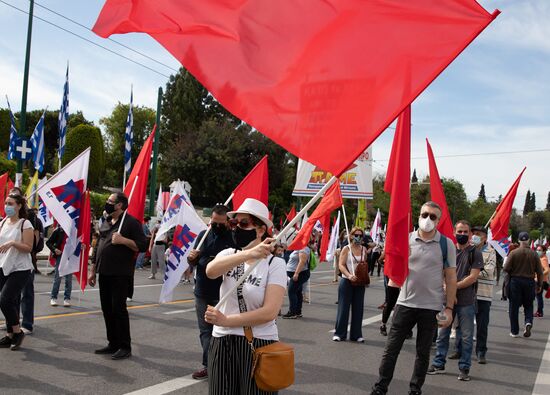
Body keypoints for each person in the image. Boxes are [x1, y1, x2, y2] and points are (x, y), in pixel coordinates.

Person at [371, 201, 457, 395]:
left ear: (439, 220)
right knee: (391, 350)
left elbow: (451, 277)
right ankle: (380, 388)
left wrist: (449, 309)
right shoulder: (405, 239)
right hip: (405, 304)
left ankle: (415, 389)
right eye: (425, 214)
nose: (428, 219)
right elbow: (392, 268)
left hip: (431, 307)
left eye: (433, 216)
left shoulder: (447, 244)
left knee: (423, 353)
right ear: (418, 215)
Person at [205, 198, 286, 394]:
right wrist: (248, 254)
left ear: (260, 230)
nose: (236, 228)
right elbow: (211, 271)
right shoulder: (228, 254)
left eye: (243, 224)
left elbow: (269, 312)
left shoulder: (275, 264)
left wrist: (226, 320)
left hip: (259, 342)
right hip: (222, 340)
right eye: (233, 224)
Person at [88, 193, 147, 360]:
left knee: (118, 310)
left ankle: (124, 346)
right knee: (107, 309)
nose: (107, 203)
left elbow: (142, 245)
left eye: (110, 202)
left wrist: (124, 241)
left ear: (120, 205)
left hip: (120, 274)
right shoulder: (106, 222)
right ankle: (112, 342)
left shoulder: (131, 223)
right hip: (104, 272)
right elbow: (99, 245)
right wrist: (93, 270)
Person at [428, 220, 483, 382]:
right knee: (442, 333)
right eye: (460, 231)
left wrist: (453, 288)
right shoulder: (447, 250)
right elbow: (440, 272)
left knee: (466, 337)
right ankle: (439, 364)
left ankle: (464, 368)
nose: (463, 235)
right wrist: (447, 288)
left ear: (470, 234)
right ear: (454, 232)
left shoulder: (475, 252)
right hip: (445, 302)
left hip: (466, 302)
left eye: (466, 232)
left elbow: (473, 277)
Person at [187, 204, 236, 380]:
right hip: (202, 290)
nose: (215, 225)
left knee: (224, 331)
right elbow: (194, 260)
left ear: (228, 222)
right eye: (213, 221)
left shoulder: (233, 238)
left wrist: (208, 260)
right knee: (205, 331)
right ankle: (209, 365)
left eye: (220, 223)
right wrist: (191, 258)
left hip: (223, 292)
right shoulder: (203, 235)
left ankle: (226, 364)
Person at [0, 193, 34, 350]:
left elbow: (28, 248)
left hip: (20, 268)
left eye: (11, 203)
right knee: (9, 302)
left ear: (19, 206)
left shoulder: (25, 224)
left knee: (5, 299)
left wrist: (13, 243)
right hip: (4, 266)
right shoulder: (3, 222)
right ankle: (9, 335)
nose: (7, 206)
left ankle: (17, 331)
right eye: (6, 203)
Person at [503, 231, 543, 338]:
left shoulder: (514, 253)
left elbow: (506, 268)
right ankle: (528, 322)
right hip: (529, 282)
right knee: (529, 305)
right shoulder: (534, 254)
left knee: (514, 307)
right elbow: (540, 272)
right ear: (529, 240)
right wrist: (539, 285)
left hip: (515, 281)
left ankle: (514, 331)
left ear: (519, 241)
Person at [333, 226, 367, 342]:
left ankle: (356, 335)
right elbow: (341, 265)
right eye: (356, 235)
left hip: (359, 282)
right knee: (343, 308)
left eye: (360, 236)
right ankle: (339, 334)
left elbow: (364, 265)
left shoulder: (364, 249)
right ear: (351, 236)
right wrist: (349, 275)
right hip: (347, 281)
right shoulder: (346, 249)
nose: (358, 237)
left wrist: (363, 277)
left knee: (358, 309)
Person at [471, 226, 496, 364]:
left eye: (478, 234)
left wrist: (470, 274)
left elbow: (488, 272)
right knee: (463, 325)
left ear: (485, 237)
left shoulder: (491, 252)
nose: (474, 236)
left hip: (483, 295)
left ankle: (481, 352)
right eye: (473, 233)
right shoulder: (466, 250)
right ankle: (460, 349)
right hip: (467, 293)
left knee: (481, 326)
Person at [282, 239, 312, 319]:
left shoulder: (303, 248)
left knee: (291, 291)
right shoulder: (299, 248)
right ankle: (298, 312)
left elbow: (302, 261)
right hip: (297, 273)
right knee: (298, 292)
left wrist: (296, 273)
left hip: (300, 274)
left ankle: (292, 312)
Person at [47, 224, 72, 307]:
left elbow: (77, 242)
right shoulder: (58, 230)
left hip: (69, 255)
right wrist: (55, 249)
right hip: (60, 255)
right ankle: (53, 298)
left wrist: (81, 246)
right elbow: (48, 242)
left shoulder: (74, 230)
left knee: (68, 279)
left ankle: (67, 298)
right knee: (57, 277)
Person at [535, 245, 549, 317]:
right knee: (538, 296)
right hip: (542, 280)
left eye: (540, 250)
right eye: (537, 250)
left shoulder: (543, 259)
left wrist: (539, 275)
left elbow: (547, 270)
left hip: (541, 281)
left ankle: (539, 312)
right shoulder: (540, 258)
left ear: (544, 251)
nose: (538, 251)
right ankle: (539, 311)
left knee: (538, 296)